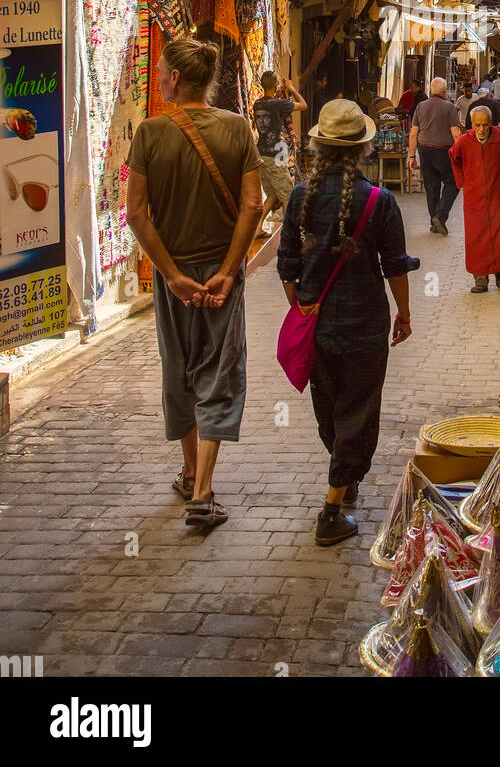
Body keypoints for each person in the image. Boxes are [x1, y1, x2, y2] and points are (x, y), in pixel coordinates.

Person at [126, 37, 263, 531]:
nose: (158, 77)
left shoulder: (150, 133)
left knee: (180, 365)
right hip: (222, 271)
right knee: (219, 368)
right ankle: (202, 490)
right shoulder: (237, 128)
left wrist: (172, 275)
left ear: (175, 79)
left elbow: (136, 213)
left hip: (176, 273)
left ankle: (188, 471)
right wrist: (229, 270)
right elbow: (253, 205)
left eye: (161, 71)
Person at [277, 99, 418, 545]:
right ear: (362, 149)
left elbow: (287, 266)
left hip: (318, 327)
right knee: (357, 411)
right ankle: (332, 510)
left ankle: (345, 472)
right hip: (365, 326)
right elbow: (394, 265)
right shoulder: (379, 201)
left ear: (319, 147)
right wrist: (405, 313)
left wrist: (302, 308)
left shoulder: (300, 196)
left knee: (332, 410)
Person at [450, 105, 500, 292]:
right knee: (477, 237)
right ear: (472, 125)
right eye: (477, 125)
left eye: (485, 125)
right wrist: (462, 182)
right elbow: (454, 158)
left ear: (490, 124)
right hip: (475, 197)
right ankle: (480, 278)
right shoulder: (464, 142)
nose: (481, 130)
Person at [251, 70, 308, 228]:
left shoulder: (258, 104)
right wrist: (291, 89)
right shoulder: (278, 104)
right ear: (276, 85)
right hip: (275, 154)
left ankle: (256, 228)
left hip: (261, 153)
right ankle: (288, 232)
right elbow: (303, 105)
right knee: (286, 194)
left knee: (273, 195)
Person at [408, 76, 462, 235]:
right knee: (453, 183)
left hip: (425, 150)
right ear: (444, 91)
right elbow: (456, 133)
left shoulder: (420, 106)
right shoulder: (450, 107)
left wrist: (412, 157)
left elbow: (413, 134)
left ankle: (434, 221)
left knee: (431, 187)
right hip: (445, 151)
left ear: (430, 90)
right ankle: (441, 216)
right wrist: (460, 155)